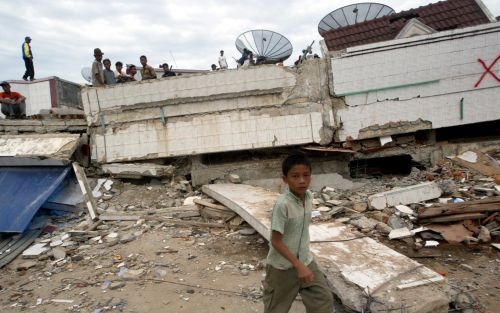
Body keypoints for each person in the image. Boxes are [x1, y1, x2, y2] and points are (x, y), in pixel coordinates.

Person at [263, 154, 334, 313]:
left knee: (323, 302)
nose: (302, 180)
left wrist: (302, 263)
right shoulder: (283, 205)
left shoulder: (308, 196)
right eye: (295, 176)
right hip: (282, 268)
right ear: (285, 179)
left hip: (306, 261)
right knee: (276, 308)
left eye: (306, 175)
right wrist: (298, 265)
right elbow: (276, 241)